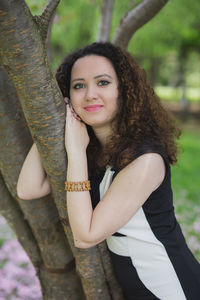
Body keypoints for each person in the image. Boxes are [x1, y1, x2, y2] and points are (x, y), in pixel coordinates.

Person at [17, 42, 200, 300]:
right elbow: (28, 188)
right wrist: (54, 119)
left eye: (102, 82)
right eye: (79, 86)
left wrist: (76, 151)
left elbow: (86, 236)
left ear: (123, 89)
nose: (90, 94)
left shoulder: (145, 159)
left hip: (169, 287)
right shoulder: (95, 151)